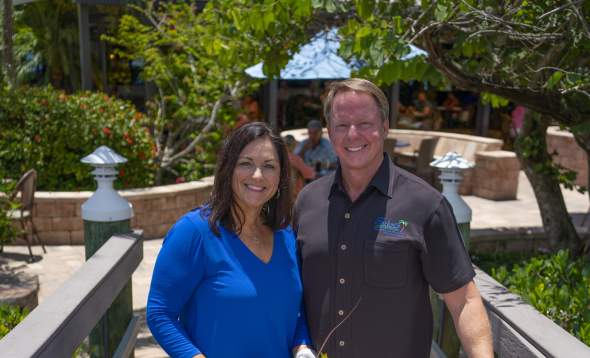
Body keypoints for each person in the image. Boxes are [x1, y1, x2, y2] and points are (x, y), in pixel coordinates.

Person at [293, 79, 493, 357]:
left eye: (364, 123)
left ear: (385, 126)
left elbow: (464, 301)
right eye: (341, 125)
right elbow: (294, 292)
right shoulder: (307, 202)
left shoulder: (425, 204)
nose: (353, 134)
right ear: (329, 131)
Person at [147, 122, 315, 358]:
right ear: (228, 169)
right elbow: (159, 313)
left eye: (269, 166)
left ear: (280, 176)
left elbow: (295, 312)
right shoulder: (194, 232)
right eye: (246, 163)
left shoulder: (286, 235)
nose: (257, 175)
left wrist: (303, 347)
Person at [284, 134, 316, 199]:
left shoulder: (277, 158)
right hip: (294, 194)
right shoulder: (295, 159)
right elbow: (310, 174)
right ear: (293, 145)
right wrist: (313, 167)